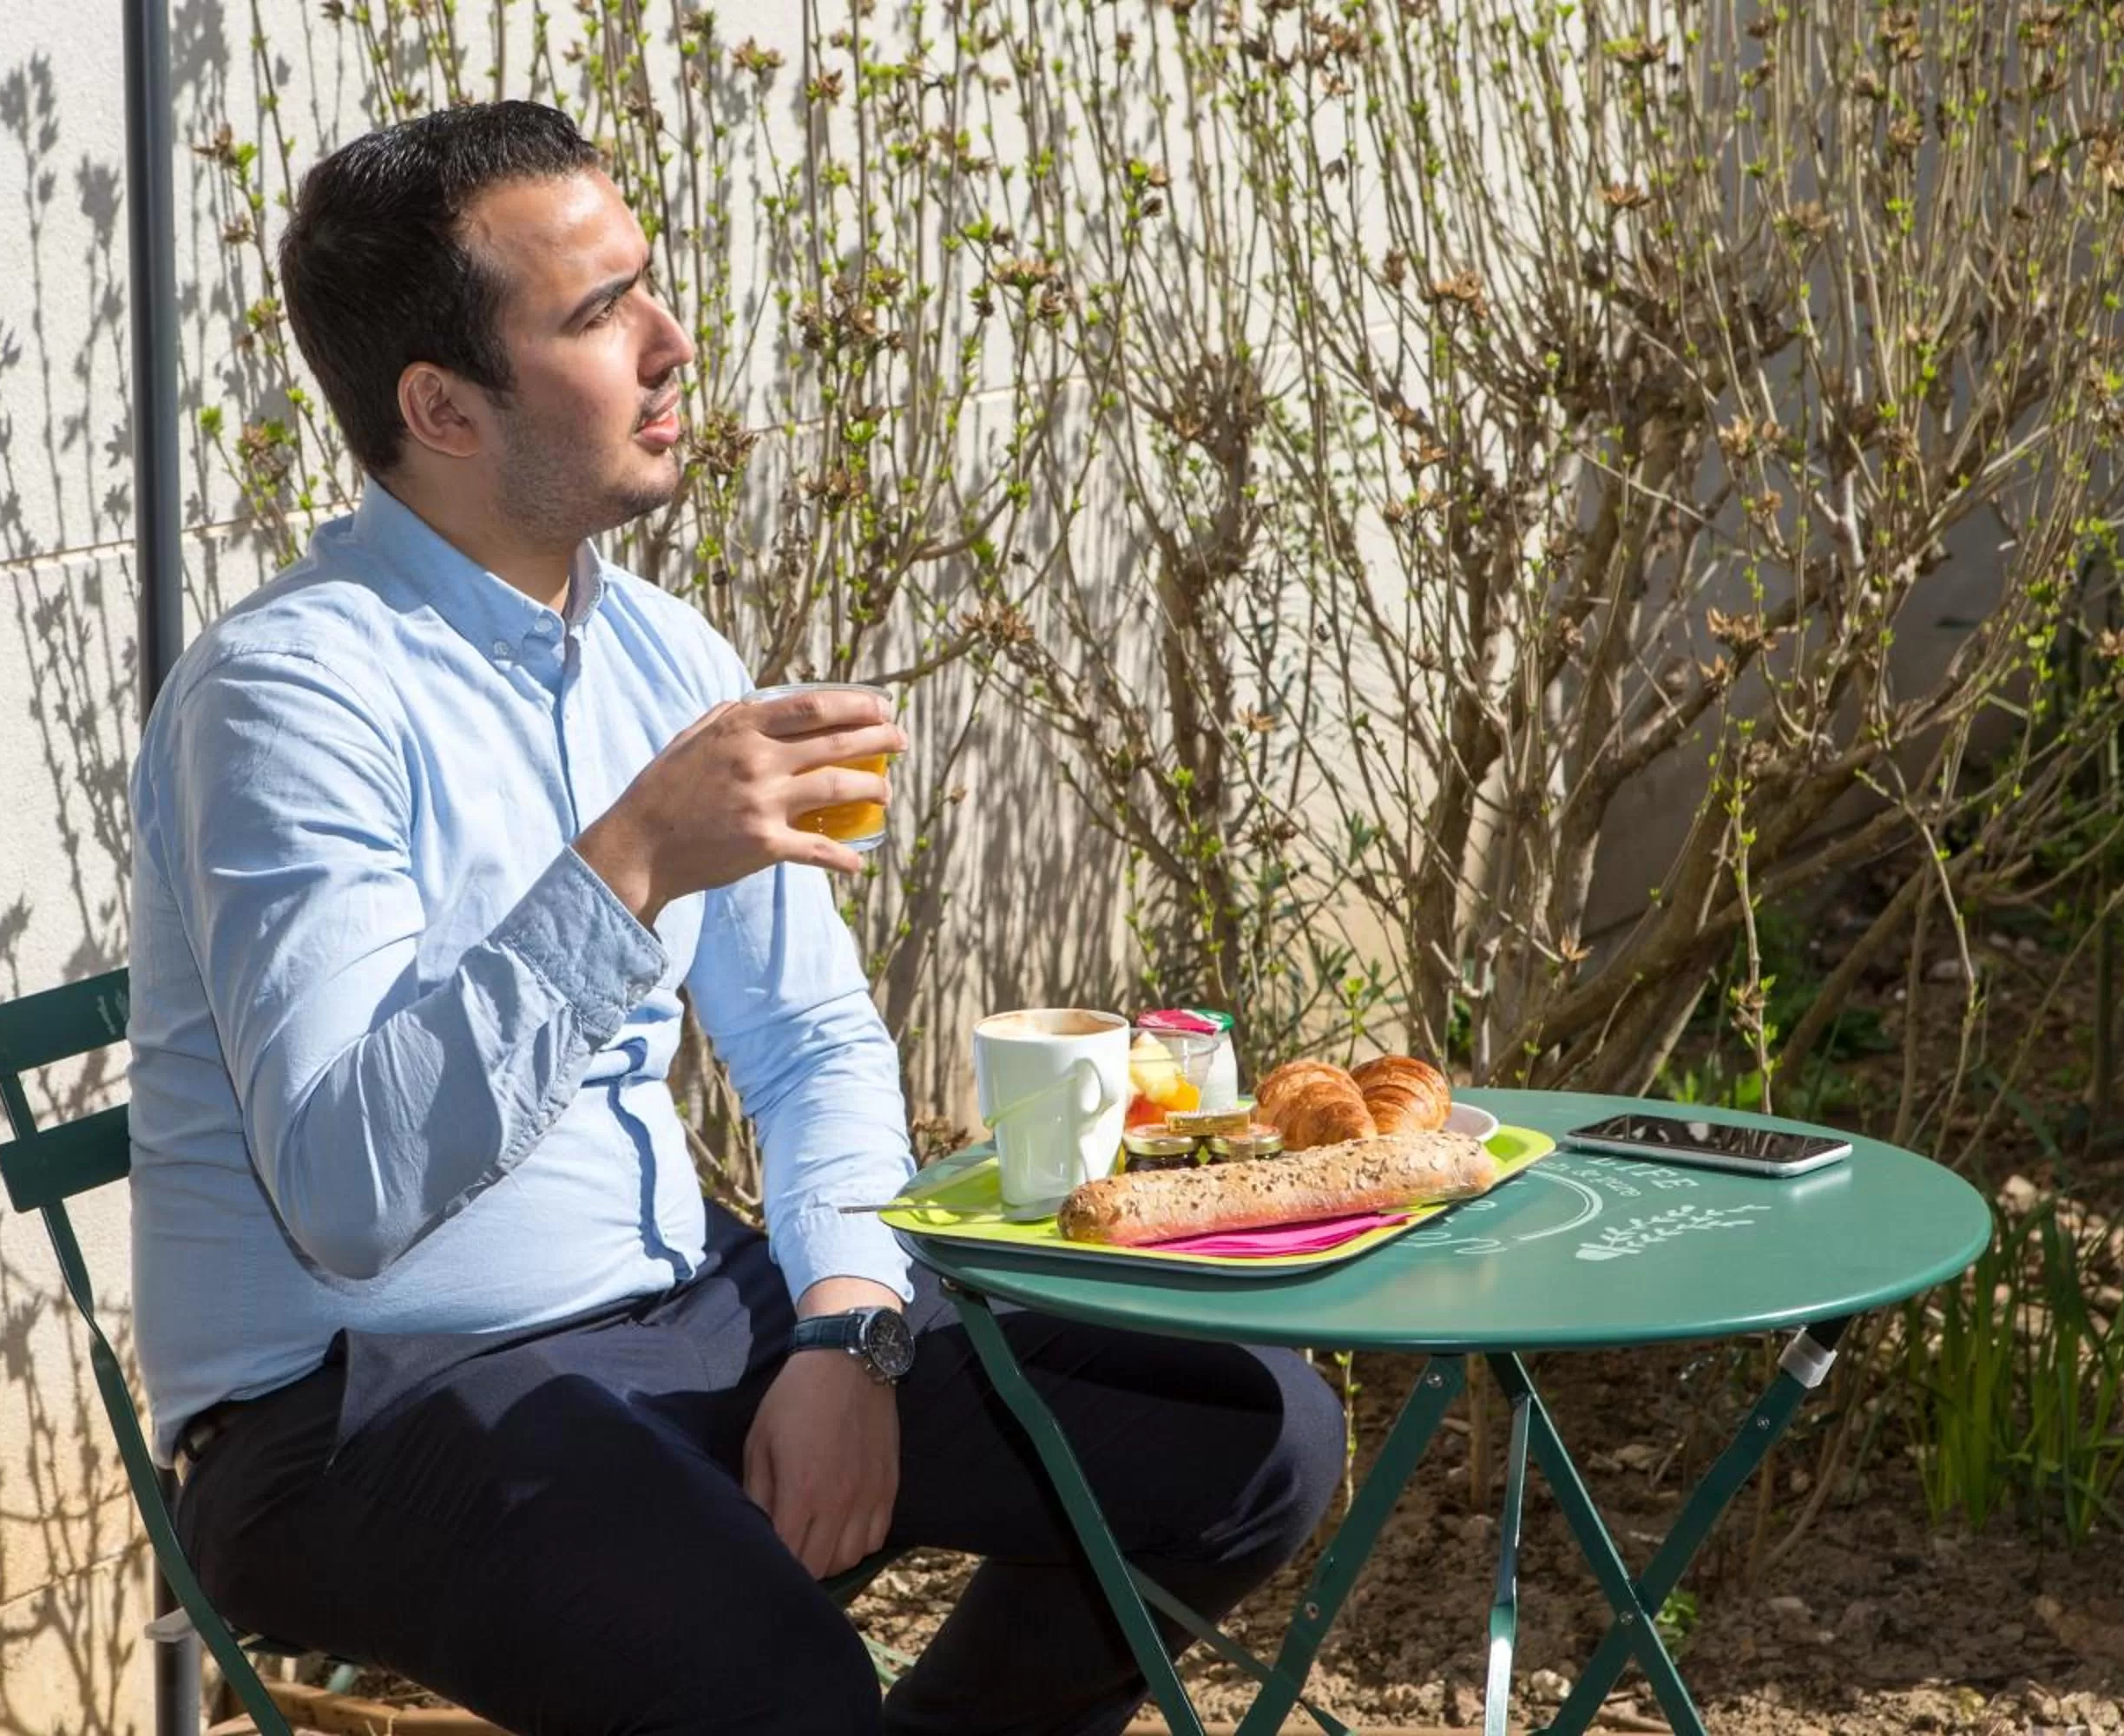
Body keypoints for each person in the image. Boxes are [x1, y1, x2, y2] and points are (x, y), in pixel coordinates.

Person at [127, 97, 1344, 1736]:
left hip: (691, 1312)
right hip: (363, 1404)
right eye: (597, 313)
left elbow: (813, 1036)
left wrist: (851, 1325)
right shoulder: (290, 697)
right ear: (442, 408)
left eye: (649, 283)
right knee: (766, 1673)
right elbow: (348, 1193)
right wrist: (627, 862)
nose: (672, 339)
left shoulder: (664, 656)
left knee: (1256, 1431)